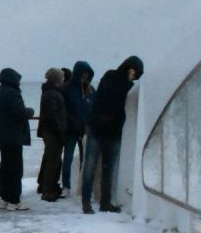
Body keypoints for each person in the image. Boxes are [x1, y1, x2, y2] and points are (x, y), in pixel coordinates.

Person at [82, 55, 143, 213]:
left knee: (108, 168)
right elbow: (113, 94)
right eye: (135, 74)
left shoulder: (126, 84)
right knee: (90, 166)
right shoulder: (111, 76)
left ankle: (105, 202)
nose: (134, 78)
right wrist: (128, 81)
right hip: (98, 128)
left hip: (113, 130)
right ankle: (86, 201)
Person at [0, 67, 33, 209]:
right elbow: (20, 112)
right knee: (15, 168)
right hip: (13, 136)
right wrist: (30, 111)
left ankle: (5, 197)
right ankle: (14, 200)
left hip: (3, 136)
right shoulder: (12, 93)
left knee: (5, 167)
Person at [36, 68, 68, 201]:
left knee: (51, 159)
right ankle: (48, 190)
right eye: (61, 78)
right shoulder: (53, 94)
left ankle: (46, 186)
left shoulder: (49, 92)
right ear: (57, 79)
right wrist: (61, 132)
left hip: (49, 131)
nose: (63, 80)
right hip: (53, 132)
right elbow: (54, 116)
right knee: (53, 161)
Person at [63, 61, 93, 193]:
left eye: (87, 74)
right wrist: (73, 123)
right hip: (71, 129)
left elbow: (94, 106)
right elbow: (64, 110)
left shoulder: (90, 90)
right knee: (68, 158)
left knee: (85, 159)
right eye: (83, 73)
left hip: (86, 129)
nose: (85, 77)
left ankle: (84, 186)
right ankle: (66, 186)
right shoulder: (68, 88)